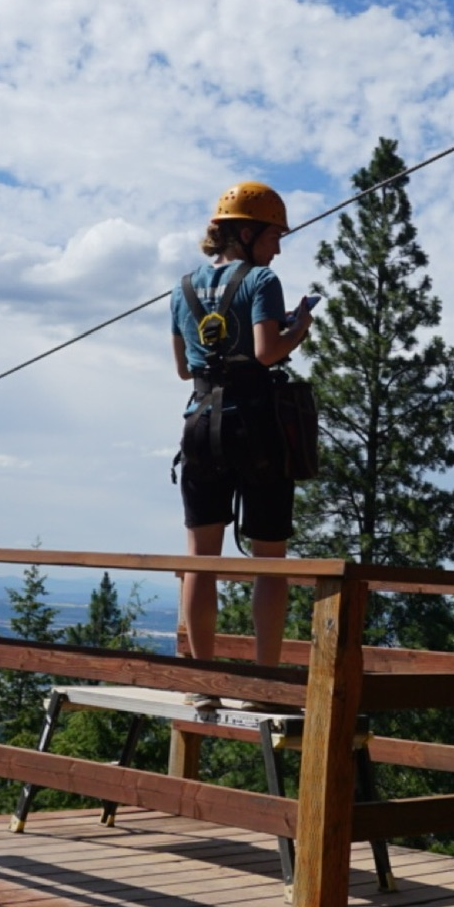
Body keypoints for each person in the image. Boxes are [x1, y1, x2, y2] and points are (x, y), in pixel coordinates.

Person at [171, 181, 317, 691]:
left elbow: (182, 369)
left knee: (199, 561)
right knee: (270, 564)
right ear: (247, 233)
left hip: (200, 425)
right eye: (274, 236)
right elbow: (266, 353)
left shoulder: (182, 288)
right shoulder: (262, 280)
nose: (277, 248)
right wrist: (299, 326)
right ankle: (265, 681)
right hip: (257, 427)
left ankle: (203, 683)